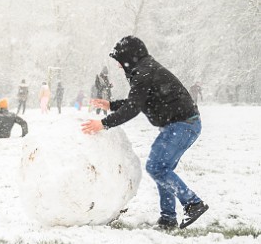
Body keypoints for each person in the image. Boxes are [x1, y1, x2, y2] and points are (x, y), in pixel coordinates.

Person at [81, 36, 208, 230]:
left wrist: (104, 124)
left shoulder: (143, 73)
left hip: (182, 125)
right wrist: (111, 105)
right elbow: (138, 102)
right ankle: (167, 219)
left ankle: (192, 203)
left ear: (129, 58)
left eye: (120, 62)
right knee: (162, 170)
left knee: (157, 168)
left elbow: (133, 108)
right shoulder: (145, 69)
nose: (119, 67)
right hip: (183, 125)